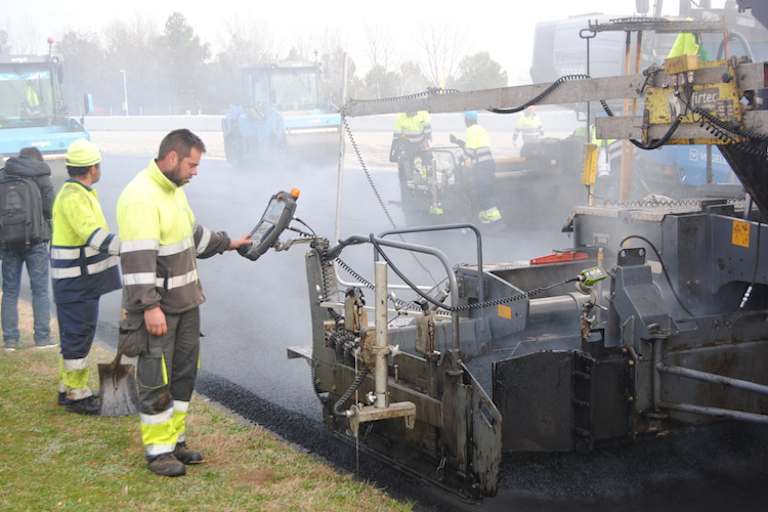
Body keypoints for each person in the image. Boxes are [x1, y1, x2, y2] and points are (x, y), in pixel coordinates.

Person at [116, 129, 250, 477]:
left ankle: (175, 441)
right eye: (192, 164)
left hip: (187, 305)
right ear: (172, 158)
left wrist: (229, 242)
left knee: (183, 377)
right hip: (160, 310)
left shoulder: (173, 192)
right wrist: (149, 307)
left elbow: (193, 236)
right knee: (156, 378)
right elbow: (137, 259)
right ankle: (158, 452)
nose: (195, 171)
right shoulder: (141, 197)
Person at [51, 139, 122, 414]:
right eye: (99, 164)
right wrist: (129, 247)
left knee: (74, 335)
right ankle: (77, 394)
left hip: (81, 282)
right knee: (78, 336)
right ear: (92, 168)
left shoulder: (80, 192)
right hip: (75, 283)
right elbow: (94, 237)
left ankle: (65, 387)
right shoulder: (74, 197)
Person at [0, 147, 55, 351]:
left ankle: (10, 341)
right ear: (37, 158)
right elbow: (50, 207)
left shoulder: (4, 174)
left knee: (10, 291)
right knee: (39, 290)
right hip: (35, 240)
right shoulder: (40, 174)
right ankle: (42, 338)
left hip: (8, 242)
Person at [450, 111, 503, 224]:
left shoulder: (471, 130)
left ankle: (493, 219)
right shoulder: (480, 129)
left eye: (465, 119)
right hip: (489, 163)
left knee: (483, 190)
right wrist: (457, 141)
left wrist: (460, 158)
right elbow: (472, 145)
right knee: (487, 189)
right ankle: (487, 215)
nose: (464, 122)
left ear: (468, 120)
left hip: (482, 166)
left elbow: (470, 151)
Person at [391, 111, 442, 214]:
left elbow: (428, 131)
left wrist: (427, 141)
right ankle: (407, 192)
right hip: (408, 144)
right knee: (404, 168)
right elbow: (397, 136)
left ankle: (431, 188)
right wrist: (397, 150)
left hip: (422, 143)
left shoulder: (423, 115)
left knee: (429, 164)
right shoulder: (400, 118)